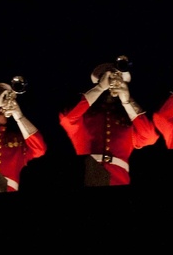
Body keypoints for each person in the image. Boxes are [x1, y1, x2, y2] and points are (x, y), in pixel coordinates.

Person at [58, 56, 160, 185]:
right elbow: (67, 117)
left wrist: (128, 101)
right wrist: (100, 88)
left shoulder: (127, 122)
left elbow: (150, 137)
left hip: (119, 178)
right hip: (89, 174)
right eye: (108, 80)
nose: (112, 83)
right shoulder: (85, 116)